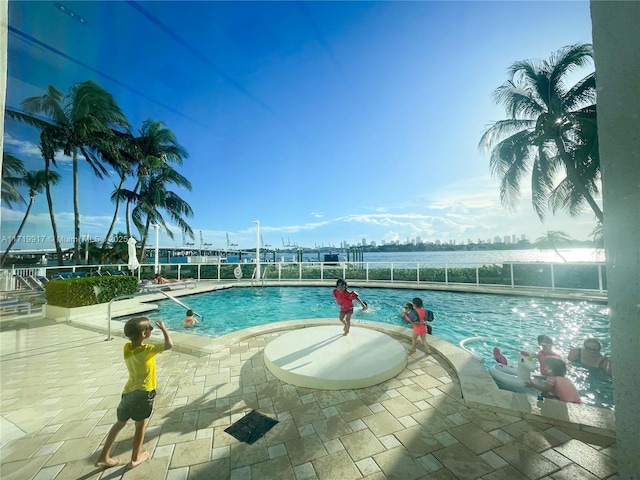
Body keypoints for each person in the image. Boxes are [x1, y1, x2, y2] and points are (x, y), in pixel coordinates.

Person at [95, 317, 173, 470]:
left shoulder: (126, 348)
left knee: (119, 424)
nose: (151, 329)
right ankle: (135, 459)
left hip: (128, 392)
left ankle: (103, 456)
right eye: (150, 328)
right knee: (140, 426)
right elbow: (169, 345)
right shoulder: (147, 349)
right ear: (144, 334)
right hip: (144, 393)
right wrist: (163, 328)